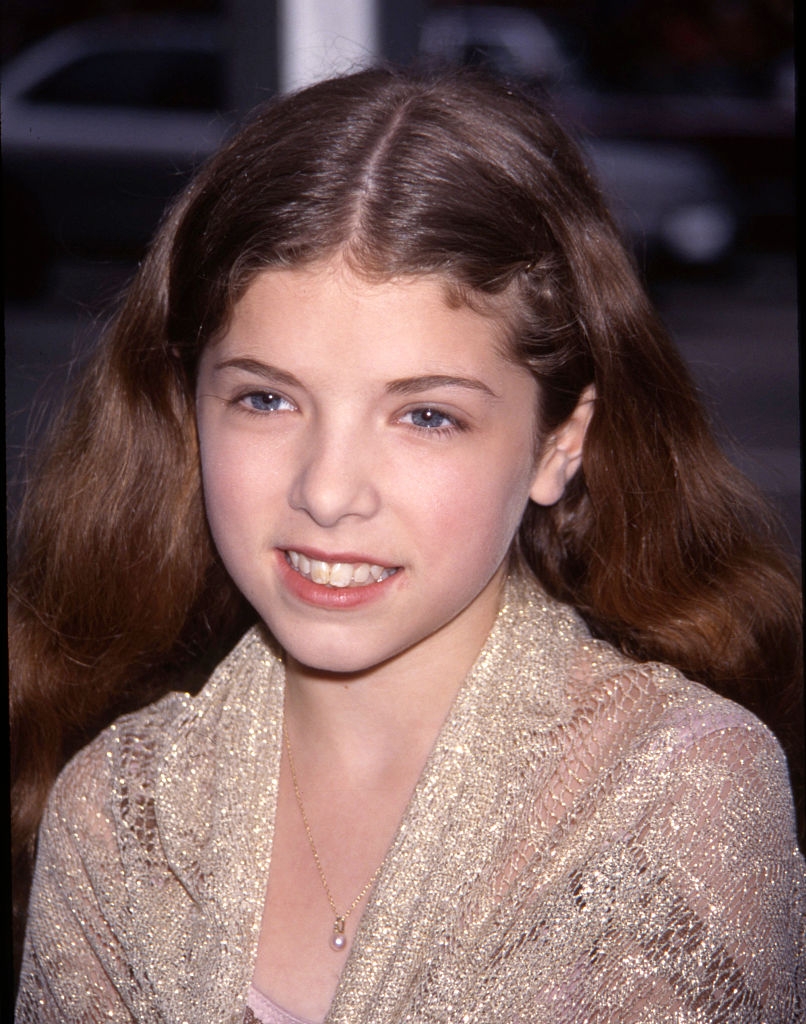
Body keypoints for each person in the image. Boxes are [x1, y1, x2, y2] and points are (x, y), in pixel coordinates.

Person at [11, 66, 804, 1023]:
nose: (328, 492)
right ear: (189, 411)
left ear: (561, 443)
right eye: (265, 399)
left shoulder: (674, 795)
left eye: (425, 415)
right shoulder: (120, 809)